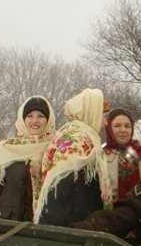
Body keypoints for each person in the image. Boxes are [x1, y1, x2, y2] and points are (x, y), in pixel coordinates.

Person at [35, 88, 111, 226]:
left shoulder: (68, 133)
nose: (106, 123)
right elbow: (72, 190)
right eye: (104, 116)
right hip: (70, 228)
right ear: (92, 113)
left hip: (54, 223)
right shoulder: (81, 141)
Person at [0, 96, 55, 221]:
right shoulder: (7, 148)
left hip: (40, 227)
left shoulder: (55, 149)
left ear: (48, 120)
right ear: (22, 119)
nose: (35, 120)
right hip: (5, 225)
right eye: (30, 116)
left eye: (40, 116)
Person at [103, 108, 141, 202]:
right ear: (109, 129)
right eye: (117, 126)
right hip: (110, 212)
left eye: (127, 126)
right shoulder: (101, 156)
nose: (123, 130)